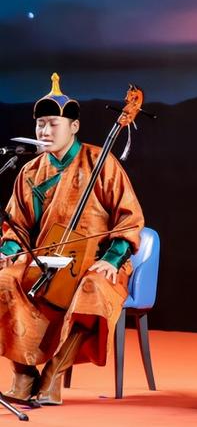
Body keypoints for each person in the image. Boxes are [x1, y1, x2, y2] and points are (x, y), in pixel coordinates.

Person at [0, 73, 144, 405]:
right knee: (4, 280)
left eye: (53, 124)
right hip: (44, 260)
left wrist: (112, 259)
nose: (45, 131)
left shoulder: (101, 163)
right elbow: (17, 226)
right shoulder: (30, 171)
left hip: (95, 262)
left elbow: (129, 219)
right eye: (40, 125)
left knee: (92, 288)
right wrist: (8, 250)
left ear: (74, 127)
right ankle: (23, 374)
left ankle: (54, 373)